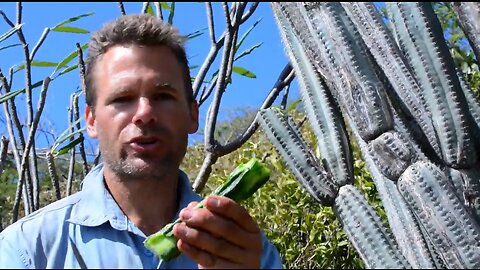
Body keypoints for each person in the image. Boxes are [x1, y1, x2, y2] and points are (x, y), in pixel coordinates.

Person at [0, 14, 283, 269]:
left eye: (162, 96)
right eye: (122, 99)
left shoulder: (244, 249)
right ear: (91, 120)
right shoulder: (27, 250)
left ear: (192, 115)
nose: (144, 114)